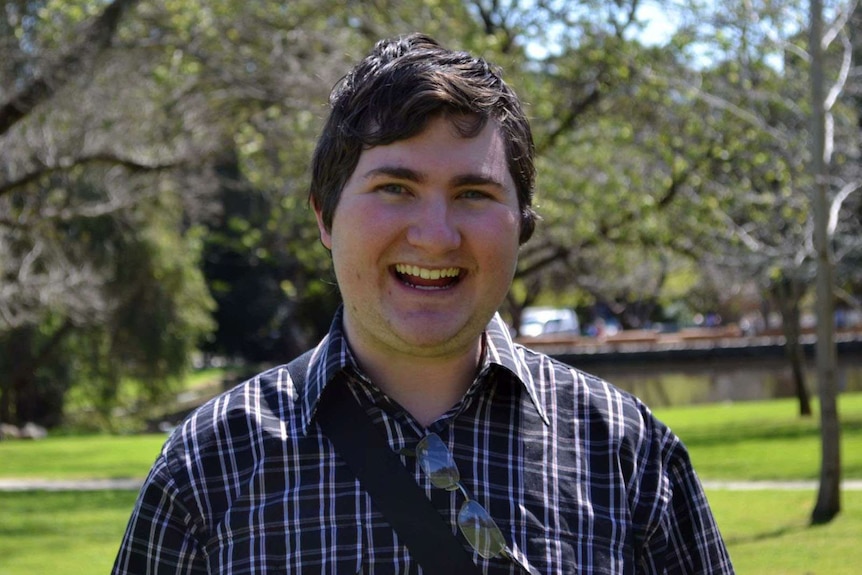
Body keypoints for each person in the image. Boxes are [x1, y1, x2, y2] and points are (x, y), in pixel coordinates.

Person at [112, 33, 734, 574]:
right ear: (325, 217)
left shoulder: (630, 457)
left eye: (472, 193)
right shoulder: (207, 466)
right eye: (394, 188)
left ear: (522, 224)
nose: (435, 235)